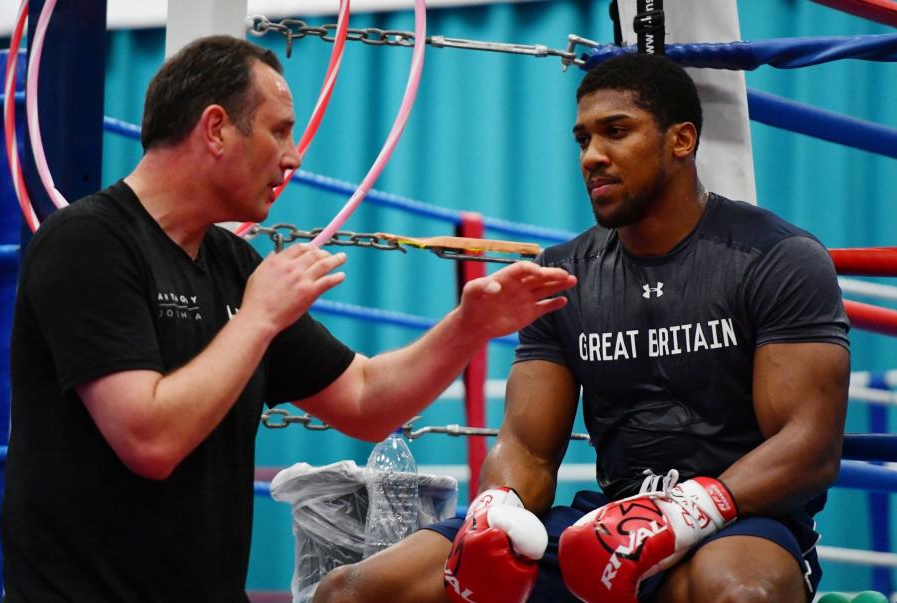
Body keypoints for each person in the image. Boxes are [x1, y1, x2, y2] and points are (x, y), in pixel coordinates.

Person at [0, 35, 576, 602]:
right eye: (279, 129)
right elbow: (149, 440)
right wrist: (257, 318)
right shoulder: (88, 242)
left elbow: (367, 401)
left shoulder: (231, 264)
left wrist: (469, 325)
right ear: (217, 128)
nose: (294, 154)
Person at [313, 53, 850, 603]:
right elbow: (528, 446)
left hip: (741, 519)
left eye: (616, 132)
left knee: (740, 595)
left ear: (681, 140)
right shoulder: (568, 275)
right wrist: (498, 509)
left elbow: (808, 445)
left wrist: (681, 512)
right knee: (352, 591)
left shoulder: (776, 257)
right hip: (607, 527)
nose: (592, 157)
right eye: (583, 140)